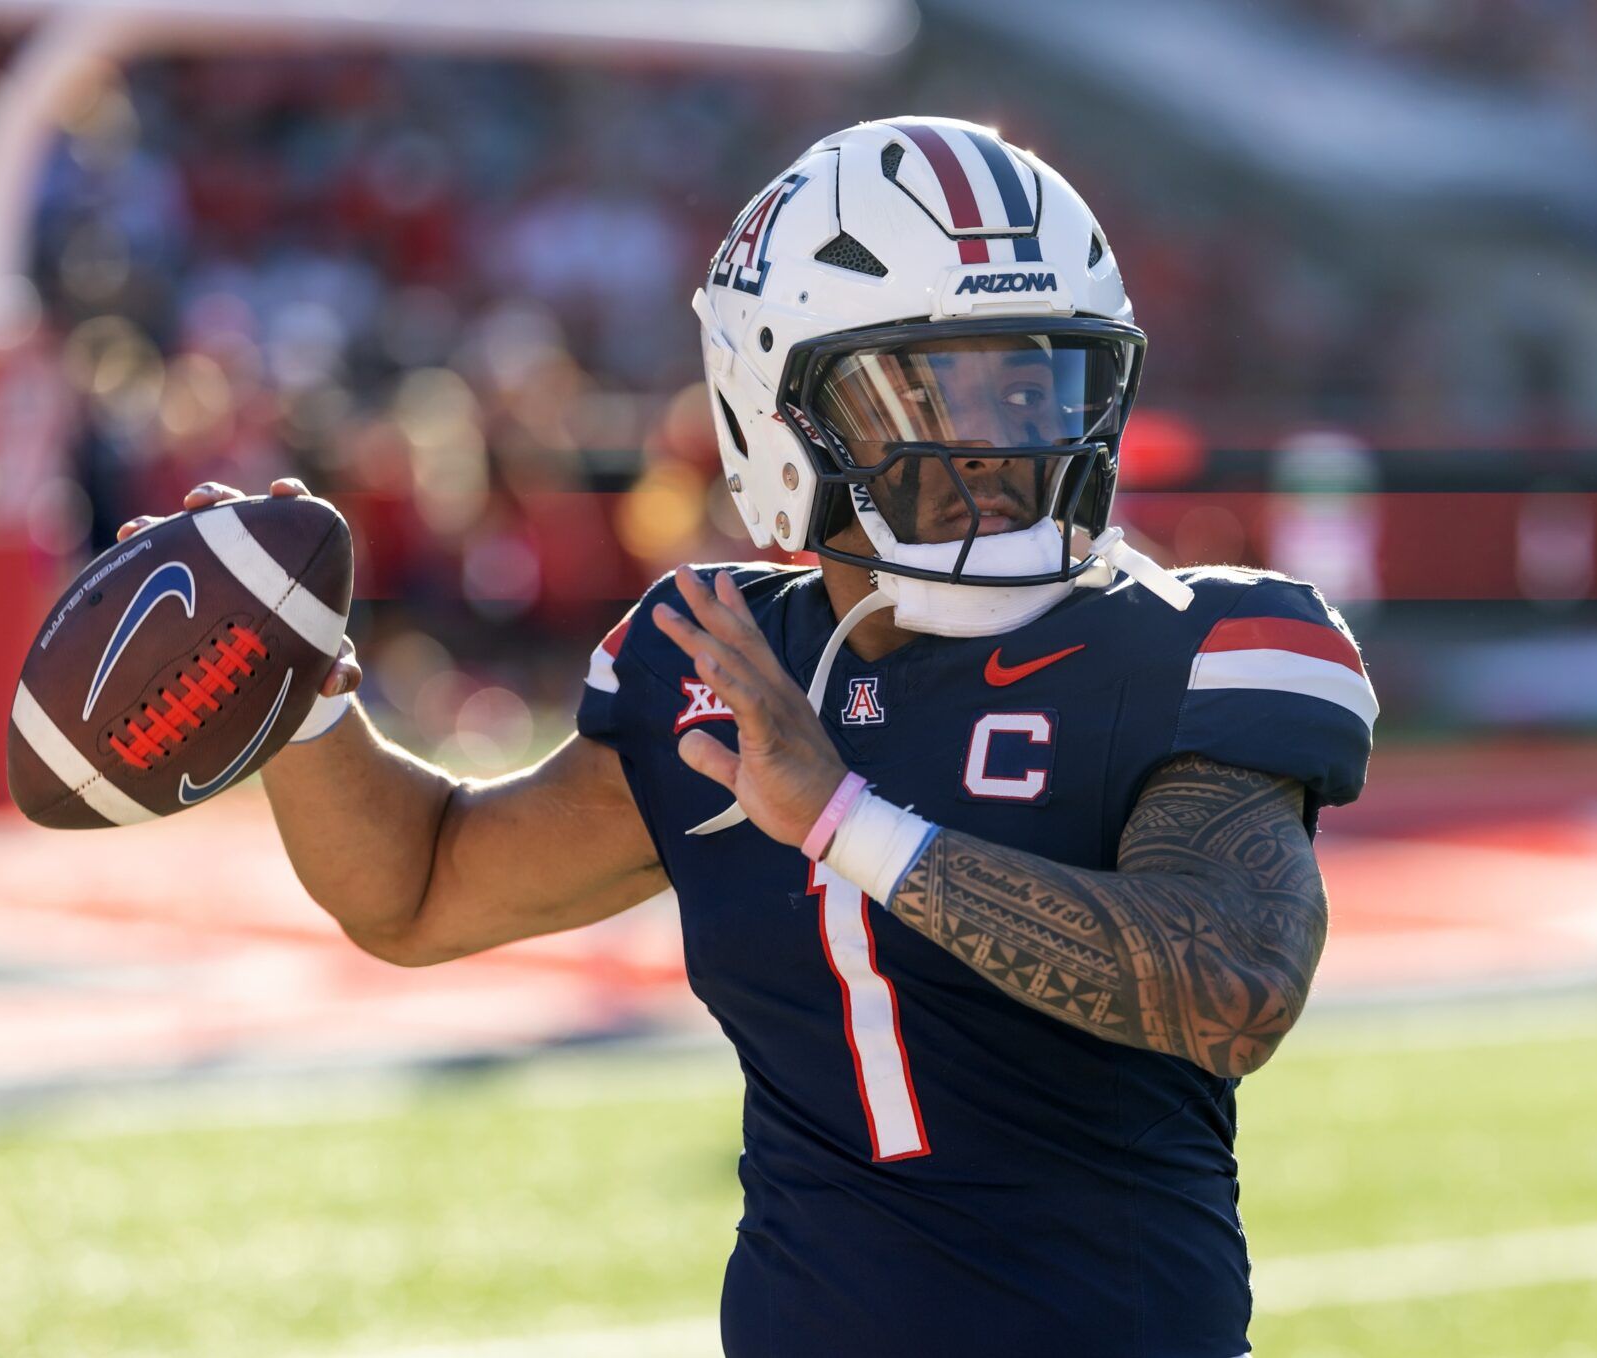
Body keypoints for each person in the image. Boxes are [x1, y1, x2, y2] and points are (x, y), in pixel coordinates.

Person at [121, 117, 1375, 1358]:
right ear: (779, 415)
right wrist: (299, 693)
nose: (1003, 447)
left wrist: (847, 821)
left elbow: (1233, 986)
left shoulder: (1196, 643)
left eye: (1035, 386)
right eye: (936, 391)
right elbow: (421, 889)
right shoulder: (716, 651)